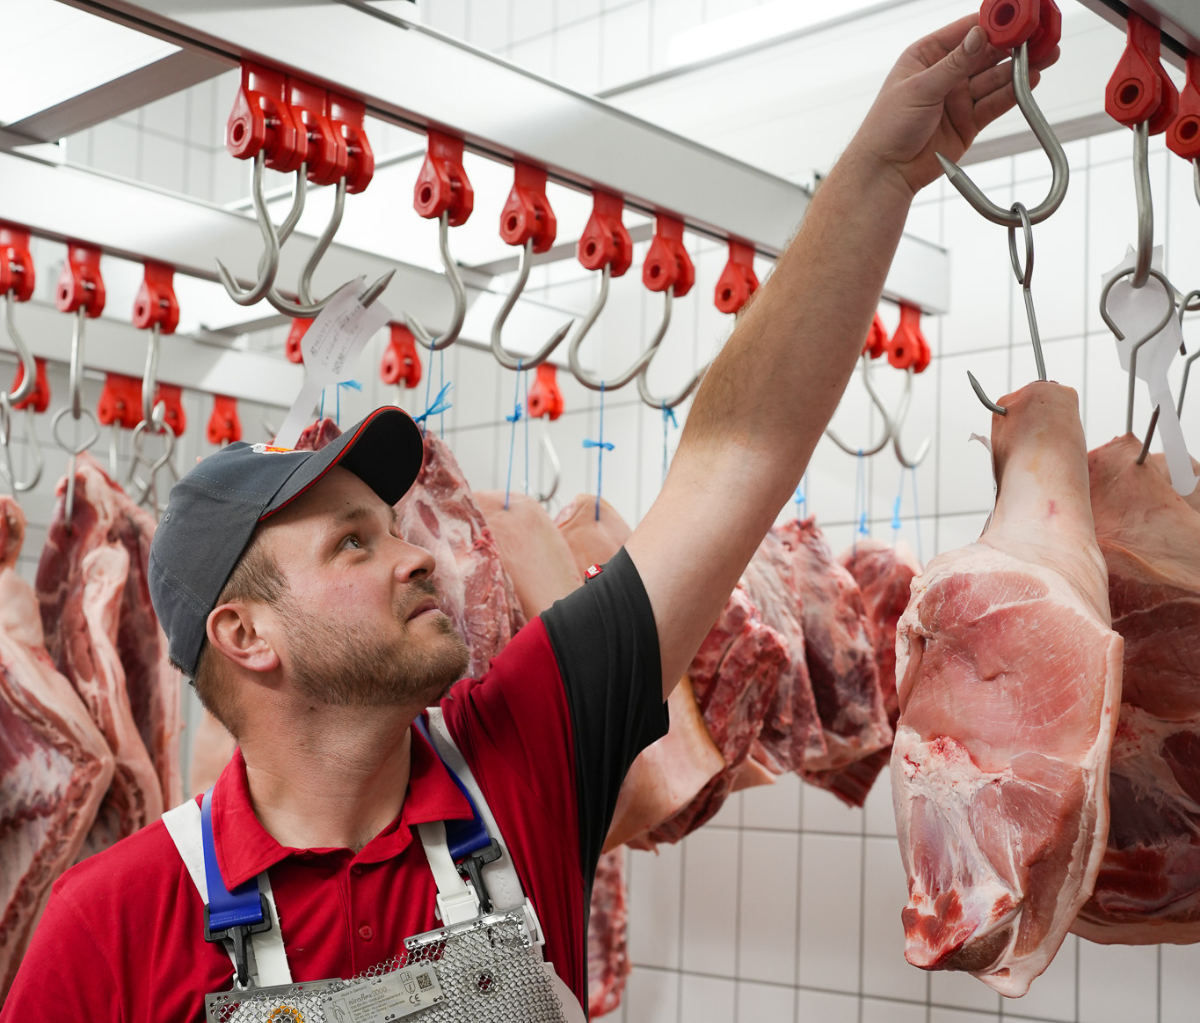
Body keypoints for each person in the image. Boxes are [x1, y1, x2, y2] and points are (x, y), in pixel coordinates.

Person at [1, 15, 1057, 1021]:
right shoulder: (112, 925)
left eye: (393, 525)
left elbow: (740, 457)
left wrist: (879, 168)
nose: (415, 555)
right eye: (353, 543)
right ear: (245, 634)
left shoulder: (521, 756)